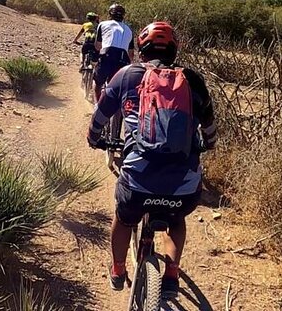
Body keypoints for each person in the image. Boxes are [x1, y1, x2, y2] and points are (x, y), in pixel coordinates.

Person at [87, 21, 217, 298]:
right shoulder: (192, 80)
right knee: (176, 218)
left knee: (124, 219)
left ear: (142, 49)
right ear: (174, 49)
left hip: (138, 182)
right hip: (182, 187)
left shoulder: (126, 75)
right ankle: (171, 275)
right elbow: (209, 126)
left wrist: (93, 138)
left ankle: (118, 270)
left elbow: (100, 114)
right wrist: (208, 144)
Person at [93, 3, 134, 102]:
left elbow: (98, 46)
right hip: (123, 59)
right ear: (123, 15)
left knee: (98, 83)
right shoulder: (129, 30)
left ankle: (97, 106)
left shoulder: (102, 24)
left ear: (110, 14)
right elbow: (131, 53)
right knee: (117, 87)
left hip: (107, 55)